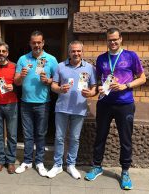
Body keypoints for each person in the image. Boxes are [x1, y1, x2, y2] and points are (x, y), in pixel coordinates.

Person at [84, 27, 146, 190]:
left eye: (115, 39)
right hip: (104, 103)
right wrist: (95, 90)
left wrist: (125, 86)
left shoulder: (131, 56)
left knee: (125, 139)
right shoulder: (101, 58)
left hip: (125, 104)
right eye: (109, 40)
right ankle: (97, 166)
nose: (112, 42)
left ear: (121, 39)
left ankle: (125, 171)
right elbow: (98, 81)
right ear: (106, 41)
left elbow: (142, 78)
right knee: (100, 135)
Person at [47, 41, 97, 179]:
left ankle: (71, 165)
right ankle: (57, 165)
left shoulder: (90, 68)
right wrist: (59, 89)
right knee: (59, 137)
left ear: (82, 52)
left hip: (79, 109)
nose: (76, 53)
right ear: (69, 52)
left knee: (74, 138)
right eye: (73, 51)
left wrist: (91, 93)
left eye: (78, 51)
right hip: (62, 108)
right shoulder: (60, 66)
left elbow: (94, 87)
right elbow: (53, 86)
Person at [14, 31, 58, 176]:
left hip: (43, 103)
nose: (36, 45)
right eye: (34, 42)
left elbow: (58, 80)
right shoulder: (23, 59)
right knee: (27, 134)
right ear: (30, 43)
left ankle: (39, 162)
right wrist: (21, 76)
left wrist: (48, 81)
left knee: (40, 134)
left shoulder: (51, 59)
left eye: (39, 42)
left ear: (43, 43)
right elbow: (16, 82)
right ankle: (27, 161)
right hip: (25, 103)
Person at [0, 42, 18, 174]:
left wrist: (15, 87)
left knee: (12, 134)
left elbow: (21, 83)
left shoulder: (14, 66)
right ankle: (0, 160)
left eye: (3, 51)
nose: (1, 53)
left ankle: (11, 161)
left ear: (7, 53)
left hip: (11, 104)